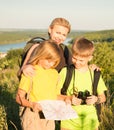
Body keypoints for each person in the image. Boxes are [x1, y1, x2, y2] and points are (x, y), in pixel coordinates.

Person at [16, 40, 69, 130]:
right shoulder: (30, 71)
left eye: (54, 61)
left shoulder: (55, 74)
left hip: (49, 115)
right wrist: (32, 104)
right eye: (49, 60)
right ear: (40, 55)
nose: (51, 64)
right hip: (33, 114)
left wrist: (66, 99)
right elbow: (18, 98)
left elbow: (55, 96)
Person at [58, 37, 107, 130]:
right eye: (74, 58)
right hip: (68, 122)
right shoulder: (65, 72)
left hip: (91, 122)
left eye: (81, 60)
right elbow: (54, 95)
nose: (77, 62)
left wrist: (96, 100)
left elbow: (103, 97)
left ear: (90, 58)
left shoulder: (95, 73)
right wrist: (69, 98)